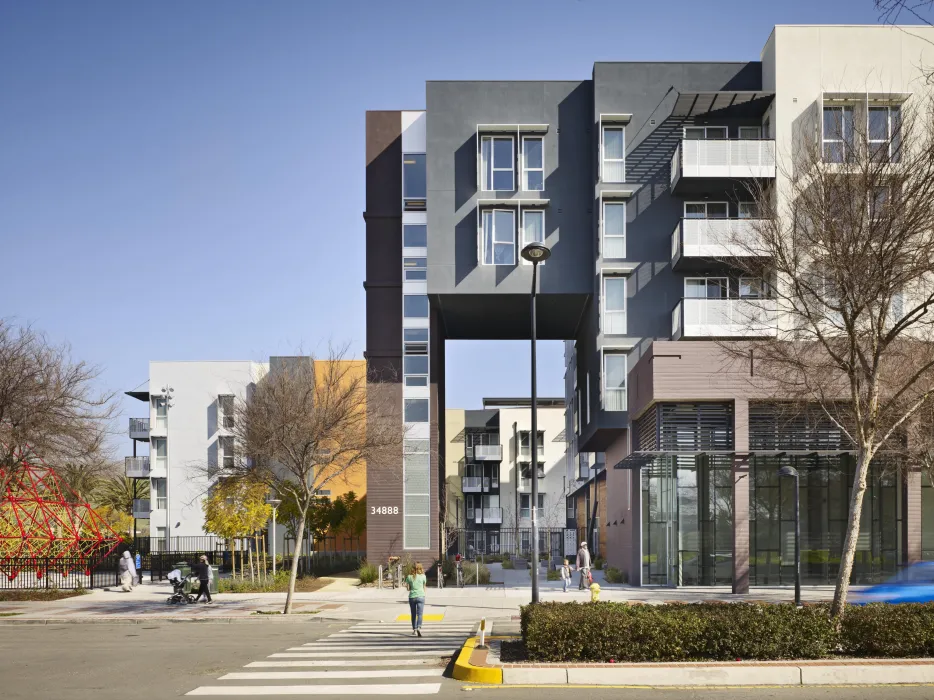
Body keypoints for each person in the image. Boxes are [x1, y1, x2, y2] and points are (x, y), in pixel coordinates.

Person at [404, 562, 427, 636]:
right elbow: (424, 587)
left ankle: (414, 629)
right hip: (421, 596)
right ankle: (419, 627)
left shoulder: (409, 577)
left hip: (412, 597)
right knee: (420, 614)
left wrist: (411, 587)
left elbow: (408, 588)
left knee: (413, 614)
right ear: (421, 568)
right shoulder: (423, 576)